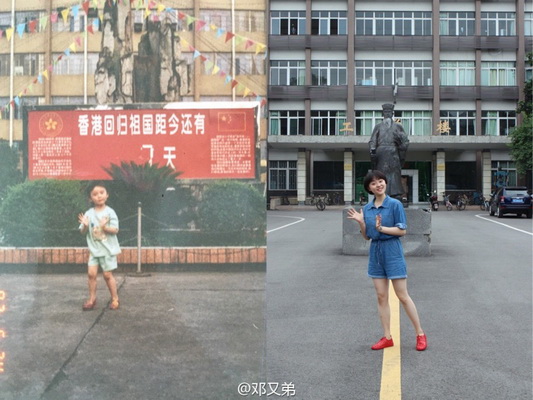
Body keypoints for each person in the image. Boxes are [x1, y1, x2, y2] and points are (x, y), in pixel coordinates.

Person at [347, 170, 427, 351]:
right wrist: (361, 223)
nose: (378, 185)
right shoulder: (367, 209)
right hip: (376, 252)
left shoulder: (395, 204)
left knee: (402, 296)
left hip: (392, 250)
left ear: (385, 183)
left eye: (381, 181)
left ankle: (420, 334)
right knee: (381, 296)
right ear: (369, 188)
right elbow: (367, 237)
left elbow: (402, 231)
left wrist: (381, 228)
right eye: (374, 183)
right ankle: (387, 336)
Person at [78, 182, 121, 311]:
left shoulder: (110, 212)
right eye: (95, 194)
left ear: (107, 195)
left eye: (102, 193)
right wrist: (85, 225)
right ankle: (92, 299)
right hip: (94, 250)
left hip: (107, 250)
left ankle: (115, 298)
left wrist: (104, 227)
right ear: (90, 198)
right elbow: (82, 231)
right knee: (91, 274)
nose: (99, 196)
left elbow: (115, 230)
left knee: (107, 275)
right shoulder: (88, 213)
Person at [368, 103, 409, 200]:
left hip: (393, 152)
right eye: (385, 112)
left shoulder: (398, 127)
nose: (387, 114)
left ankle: (396, 194)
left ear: (392, 113)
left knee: (395, 173)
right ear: (383, 114)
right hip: (381, 152)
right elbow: (373, 140)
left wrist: (403, 146)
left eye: (389, 112)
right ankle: (381, 193)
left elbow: (405, 141)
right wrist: (373, 149)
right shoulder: (378, 126)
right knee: (381, 174)